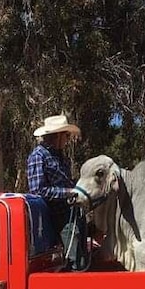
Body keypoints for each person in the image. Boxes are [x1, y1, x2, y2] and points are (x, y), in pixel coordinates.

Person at [27, 114, 87, 270]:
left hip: (71, 215)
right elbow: (38, 191)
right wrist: (69, 192)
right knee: (74, 260)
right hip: (57, 218)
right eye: (66, 135)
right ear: (58, 136)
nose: (68, 139)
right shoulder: (38, 156)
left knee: (82, 255)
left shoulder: (60, 157)